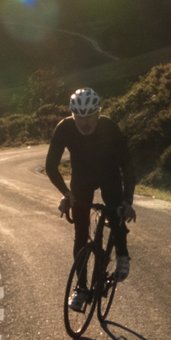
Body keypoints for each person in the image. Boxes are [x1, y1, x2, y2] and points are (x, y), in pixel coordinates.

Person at [45, 86, 132, 310]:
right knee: (81, 235)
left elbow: (128, 166)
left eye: (89, 117)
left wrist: (127, 201)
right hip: (81, 178)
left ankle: (122, 254)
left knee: (116, 213)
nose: (83, 123)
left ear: (97, 113)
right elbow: (51, 166)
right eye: (78, 118)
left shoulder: (109, 127)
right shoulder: (65, 128)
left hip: (109, 174)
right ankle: (81, 288)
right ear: (72, 115)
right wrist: (66, 194)